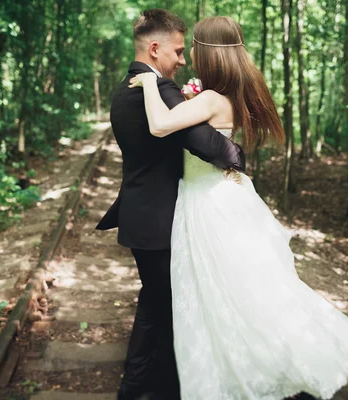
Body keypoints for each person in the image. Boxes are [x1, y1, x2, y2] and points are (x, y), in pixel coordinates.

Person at [128, 16, 348, 400]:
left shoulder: (208, 99)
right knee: (236, 288)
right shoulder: (228, 97)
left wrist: (146, 82)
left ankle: (230, 370)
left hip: (205, 200)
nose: (188, 54)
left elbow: (160, 126)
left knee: (218, 292)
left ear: (207, 52)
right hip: (226, 195)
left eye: (192, 46)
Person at [96, 9, 246, 400]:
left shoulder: (121, 87)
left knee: (157, 300)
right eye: (178, 52)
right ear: (155, 48)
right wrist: (239, 158)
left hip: (141, 213)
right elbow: (209, 146)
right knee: (161, 305)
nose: (182, 60)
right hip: (161, 220)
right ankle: (143, 387)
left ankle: (153, 382)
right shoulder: (160, 91)